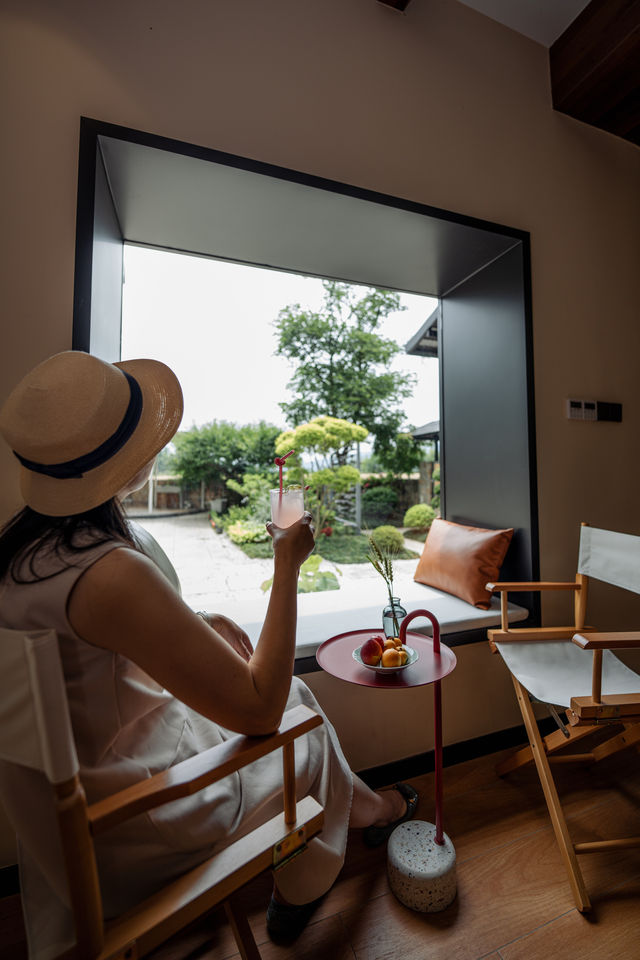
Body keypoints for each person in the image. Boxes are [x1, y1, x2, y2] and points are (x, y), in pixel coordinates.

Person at [0, 351, 417, 956]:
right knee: (300, 713)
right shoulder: (110, 571)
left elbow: (90, 655)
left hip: (64, 832)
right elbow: (261, 710)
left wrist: (195, 623)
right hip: (141, 821)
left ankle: (369, 813)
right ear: (125, 461)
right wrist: (286, 564)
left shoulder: (21, 558)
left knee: (294, 704)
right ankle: (317, 871)